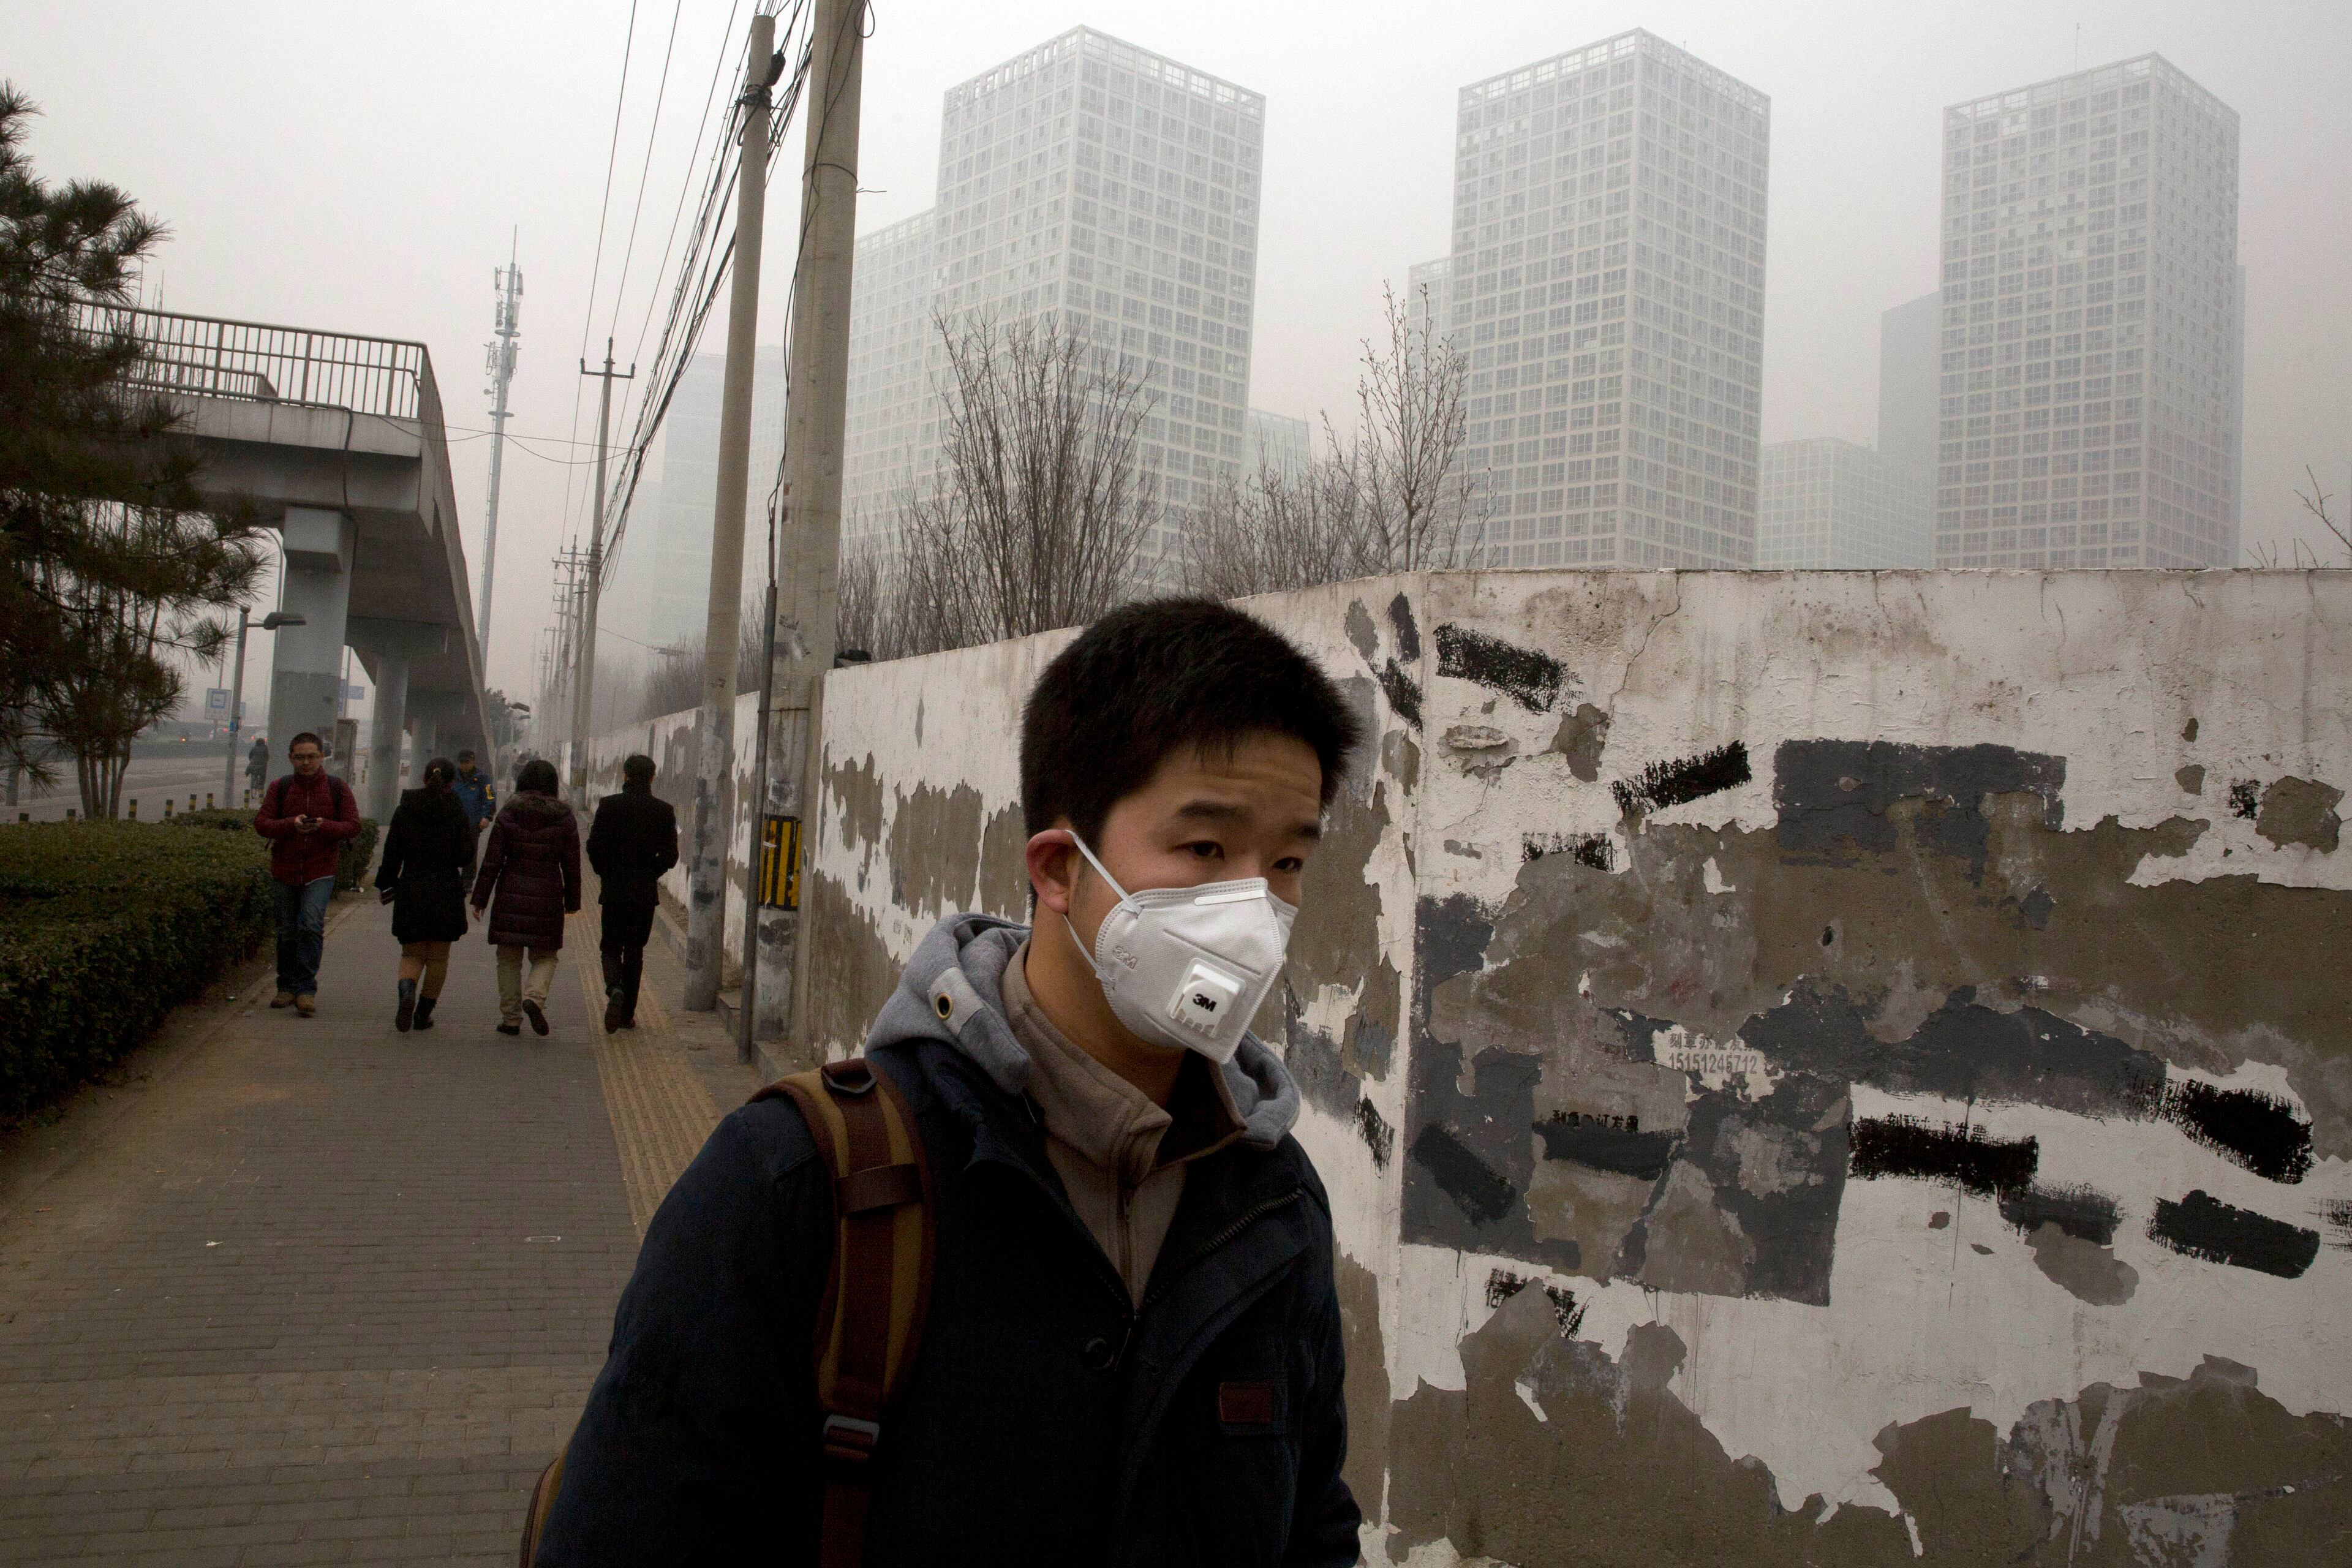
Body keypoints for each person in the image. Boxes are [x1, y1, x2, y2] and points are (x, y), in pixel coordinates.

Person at [535, 600, 1365, 1565]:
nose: (1255, 912)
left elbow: (1314, 1530)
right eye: (1206, 851)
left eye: (1289, 862)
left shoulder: (1272, 1204)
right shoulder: (798, 1186)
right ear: (1059, 868)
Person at [253, 732, 361, 1017]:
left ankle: (305, 990)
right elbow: (262, 824)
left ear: (321, 757)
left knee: (311, 926)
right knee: (287, 931)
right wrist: (291, 825)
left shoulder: (337, 788)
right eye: (300, 757)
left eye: (312, 756)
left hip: (320, 870)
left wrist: (324, 826)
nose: (306, 762)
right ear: (290, 758)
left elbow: (352, 826)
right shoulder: (281, 787)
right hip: (284, 869)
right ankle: (285, 987)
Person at [470, 757, 580, 1037]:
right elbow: (572, 864)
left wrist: (480, 898)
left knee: (508, 957)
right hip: (548, 894)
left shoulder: (509, 814)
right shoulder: (565, 818)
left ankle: (510, 1020)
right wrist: (573, 902)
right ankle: (534, 997)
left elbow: (492, 861)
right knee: (546, 956)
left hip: (510, 893)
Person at [375, 756, 475, 1032]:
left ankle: (406, 992)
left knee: (412, 954)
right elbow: (465, 855)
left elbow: (392, 852)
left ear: (422, 778)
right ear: (452, 783)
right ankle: (422, 1014)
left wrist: (386, 883)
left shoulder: (405, 808)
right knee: (438, 959)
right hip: (445, 890)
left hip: (412, 887)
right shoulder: (457, 809)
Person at [585, 753, 677, 1033]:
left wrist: (606, 874)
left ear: (624, 775)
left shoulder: (609, 806)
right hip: (644, 894)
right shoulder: (663, 811)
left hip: (614, 891)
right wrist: (651, 874)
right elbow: (671, 855)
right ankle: (626, 1015)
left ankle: (614, 988)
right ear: (652, 777)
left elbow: (594, 847)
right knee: (635, 952)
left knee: (611, 946)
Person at [451, 747, 496, 839]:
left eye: (467, 762)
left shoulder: (482, 779)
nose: (464, 765)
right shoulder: (452, 778)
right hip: (453, 823)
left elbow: (490, 798)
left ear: (473, 762)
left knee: (470, 851)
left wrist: (487, 817)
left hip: (473, 824)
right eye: (461, 762)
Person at [245, 734, 269, 800]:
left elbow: (250, 756)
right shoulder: (265, 748)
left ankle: (247, 774)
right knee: (263, 776)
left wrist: (252, 760)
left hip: (253, 765)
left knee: (250, 767)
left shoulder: (254, 748)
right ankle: (261, 788)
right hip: (262, 765)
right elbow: (267, 756)